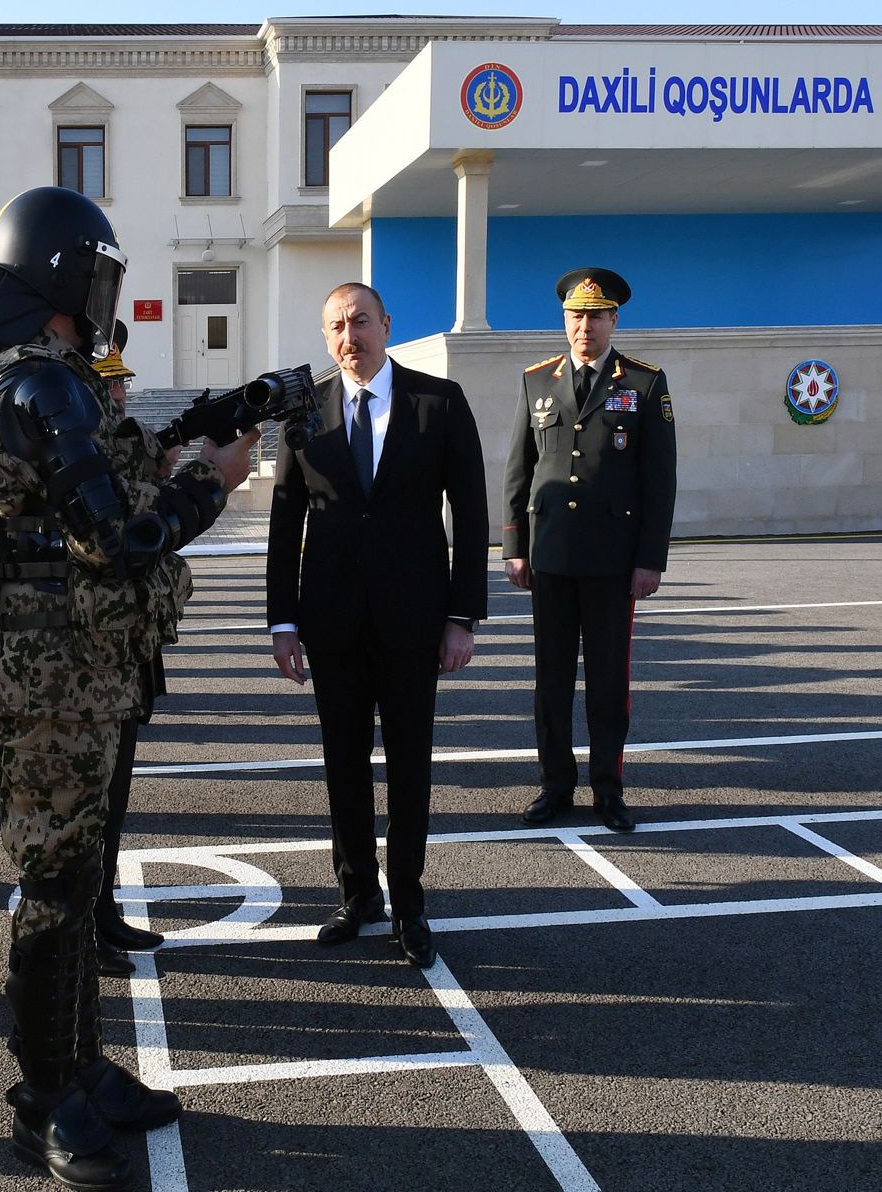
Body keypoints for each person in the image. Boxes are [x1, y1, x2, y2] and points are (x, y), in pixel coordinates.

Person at [0, 185, 256, 1191]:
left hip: (62, 664)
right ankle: (40, 1102)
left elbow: (103, 482)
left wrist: (193, 438)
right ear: (63, 273)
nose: (107, 293)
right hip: (47, 672)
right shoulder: (39, 387)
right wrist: (212, 484)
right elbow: (119, 538)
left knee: (76, 874)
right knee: (55, 886)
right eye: (99, 273)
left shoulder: (27, 378)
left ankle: (80, 1067)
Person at [266, 282, 488, 970]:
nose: (348, 337)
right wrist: (282, 621)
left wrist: (461, 616)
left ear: (386, 324)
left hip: (413, 620)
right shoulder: (305, 415)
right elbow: (285, 522)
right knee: (343, 766)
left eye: (359, 321)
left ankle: (410, 900)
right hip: (331, 621)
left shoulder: (438, 403)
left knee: (410, 766)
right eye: (335, 326)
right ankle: (356, 893)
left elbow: (473, 513)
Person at [502, 268, 678, 833]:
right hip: (550, 556)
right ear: (565, 321)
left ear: (613, 321)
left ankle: (608, 788)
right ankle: (555, 785)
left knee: (607, 681)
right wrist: (515, 546)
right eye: (576, 317)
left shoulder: (646, 384)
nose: (585, 327)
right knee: (550, 680)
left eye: (596, 316)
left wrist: (650, 559)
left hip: (612, 561)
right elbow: (519, 469)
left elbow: (660, 479)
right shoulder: (537, 381)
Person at [89, 329, 171, 976]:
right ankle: (90, 925)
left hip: (130, 644)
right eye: (113, 384)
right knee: (94, 796)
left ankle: (105, 910)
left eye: (122, 384)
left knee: (116, 795)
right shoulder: (89, 449)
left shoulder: (118, 441)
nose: (122, 395)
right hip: (96, 651)